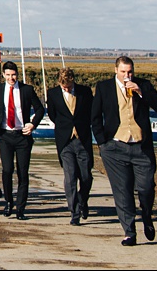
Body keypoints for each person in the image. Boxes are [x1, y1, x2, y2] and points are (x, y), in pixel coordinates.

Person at [92, 54, 157, 246]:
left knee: (146, 187)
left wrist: (141, 91)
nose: (127, 75)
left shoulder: (144, 85)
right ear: (116, 70)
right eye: (123, 71)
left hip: (141, 146)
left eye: (130, 71)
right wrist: (102, 143)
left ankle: (147, 216)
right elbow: (95, 116)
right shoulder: (104, 87)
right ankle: (129, 232)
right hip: (115, 147)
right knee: (122, 191)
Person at [0, 57, 45, 218]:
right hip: (5, 135)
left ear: (17, 74)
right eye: (7, 75)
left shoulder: (27, 90)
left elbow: (40, 109)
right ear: (3, 75)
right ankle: (8, 202)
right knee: (7, 170)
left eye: (13, 75)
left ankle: (20, 208)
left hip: (22, 136)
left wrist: (32, 124)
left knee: (23, 172)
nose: (11, 78)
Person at [47, 66, 95, 226]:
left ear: (73, 81)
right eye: (63, 87)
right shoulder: (53, 94)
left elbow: (91, 113)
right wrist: (64, 128)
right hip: (65, 141)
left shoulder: (85, 92)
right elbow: (53, 115)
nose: (66, 89)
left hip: (83, 139)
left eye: (68, 86)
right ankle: (74, 213)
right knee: (70, 177)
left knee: (86, 176)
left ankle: (83, 201)